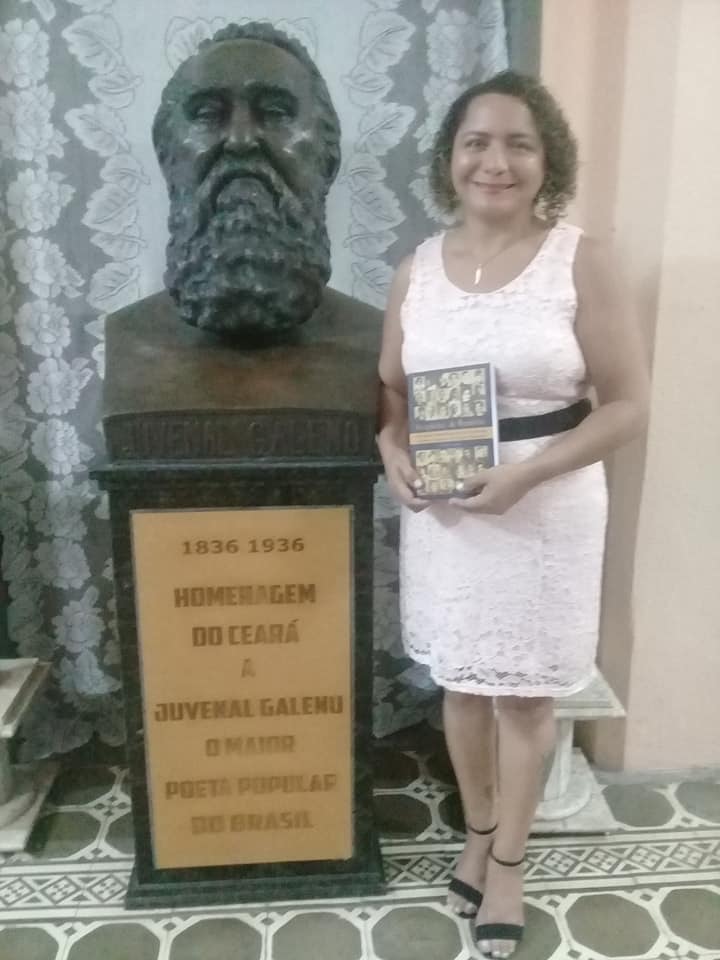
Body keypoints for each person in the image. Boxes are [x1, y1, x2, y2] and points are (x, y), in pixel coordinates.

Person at [377, 71, 649, 959]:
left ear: (546, 161)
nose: (495, 161)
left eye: (518, 144)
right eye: (477, 143)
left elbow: (626, 405)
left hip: (547, 506)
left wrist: (528, 475)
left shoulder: (581, 260)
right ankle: (479, 829)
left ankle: (509, 864)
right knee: (462, 683)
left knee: (526, 694)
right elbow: (392, 396)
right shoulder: (415, 271)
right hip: (451, 513)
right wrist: (391, 451)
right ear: (450, 160)